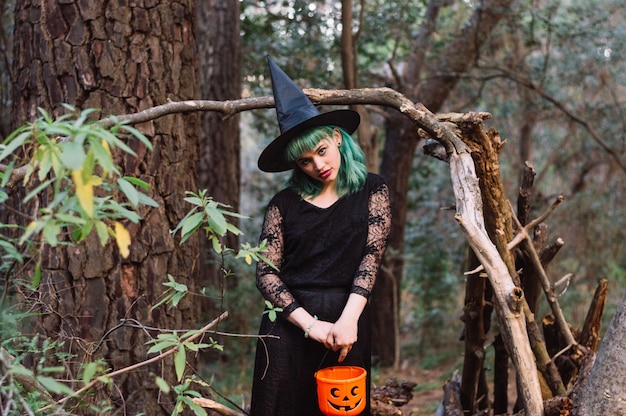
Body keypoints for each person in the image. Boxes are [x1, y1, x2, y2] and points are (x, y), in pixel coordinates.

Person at [250, 56, 391, 416]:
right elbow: (266, 273)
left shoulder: (373, 189)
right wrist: (309, 324)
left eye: (322, 151)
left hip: (348, 320)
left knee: (341, 409)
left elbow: (370, 259)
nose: (318, 165)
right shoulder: (283, 203)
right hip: (288, 324)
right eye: (305, 161)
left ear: (336, 138)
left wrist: (348, 320)